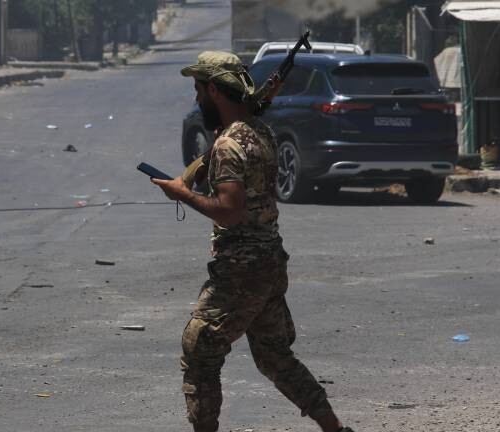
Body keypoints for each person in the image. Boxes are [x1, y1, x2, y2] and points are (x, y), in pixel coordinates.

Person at [151, 51, 353, 432]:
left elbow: (228, 210)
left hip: (240, 269)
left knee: (200, 352)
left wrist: (182, 193)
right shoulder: (259, 132)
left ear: (214, 90)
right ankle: (335, 429)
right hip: (269, 261)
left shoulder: (230, 145)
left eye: (198, 90)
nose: (195, 100)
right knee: (275, 357)